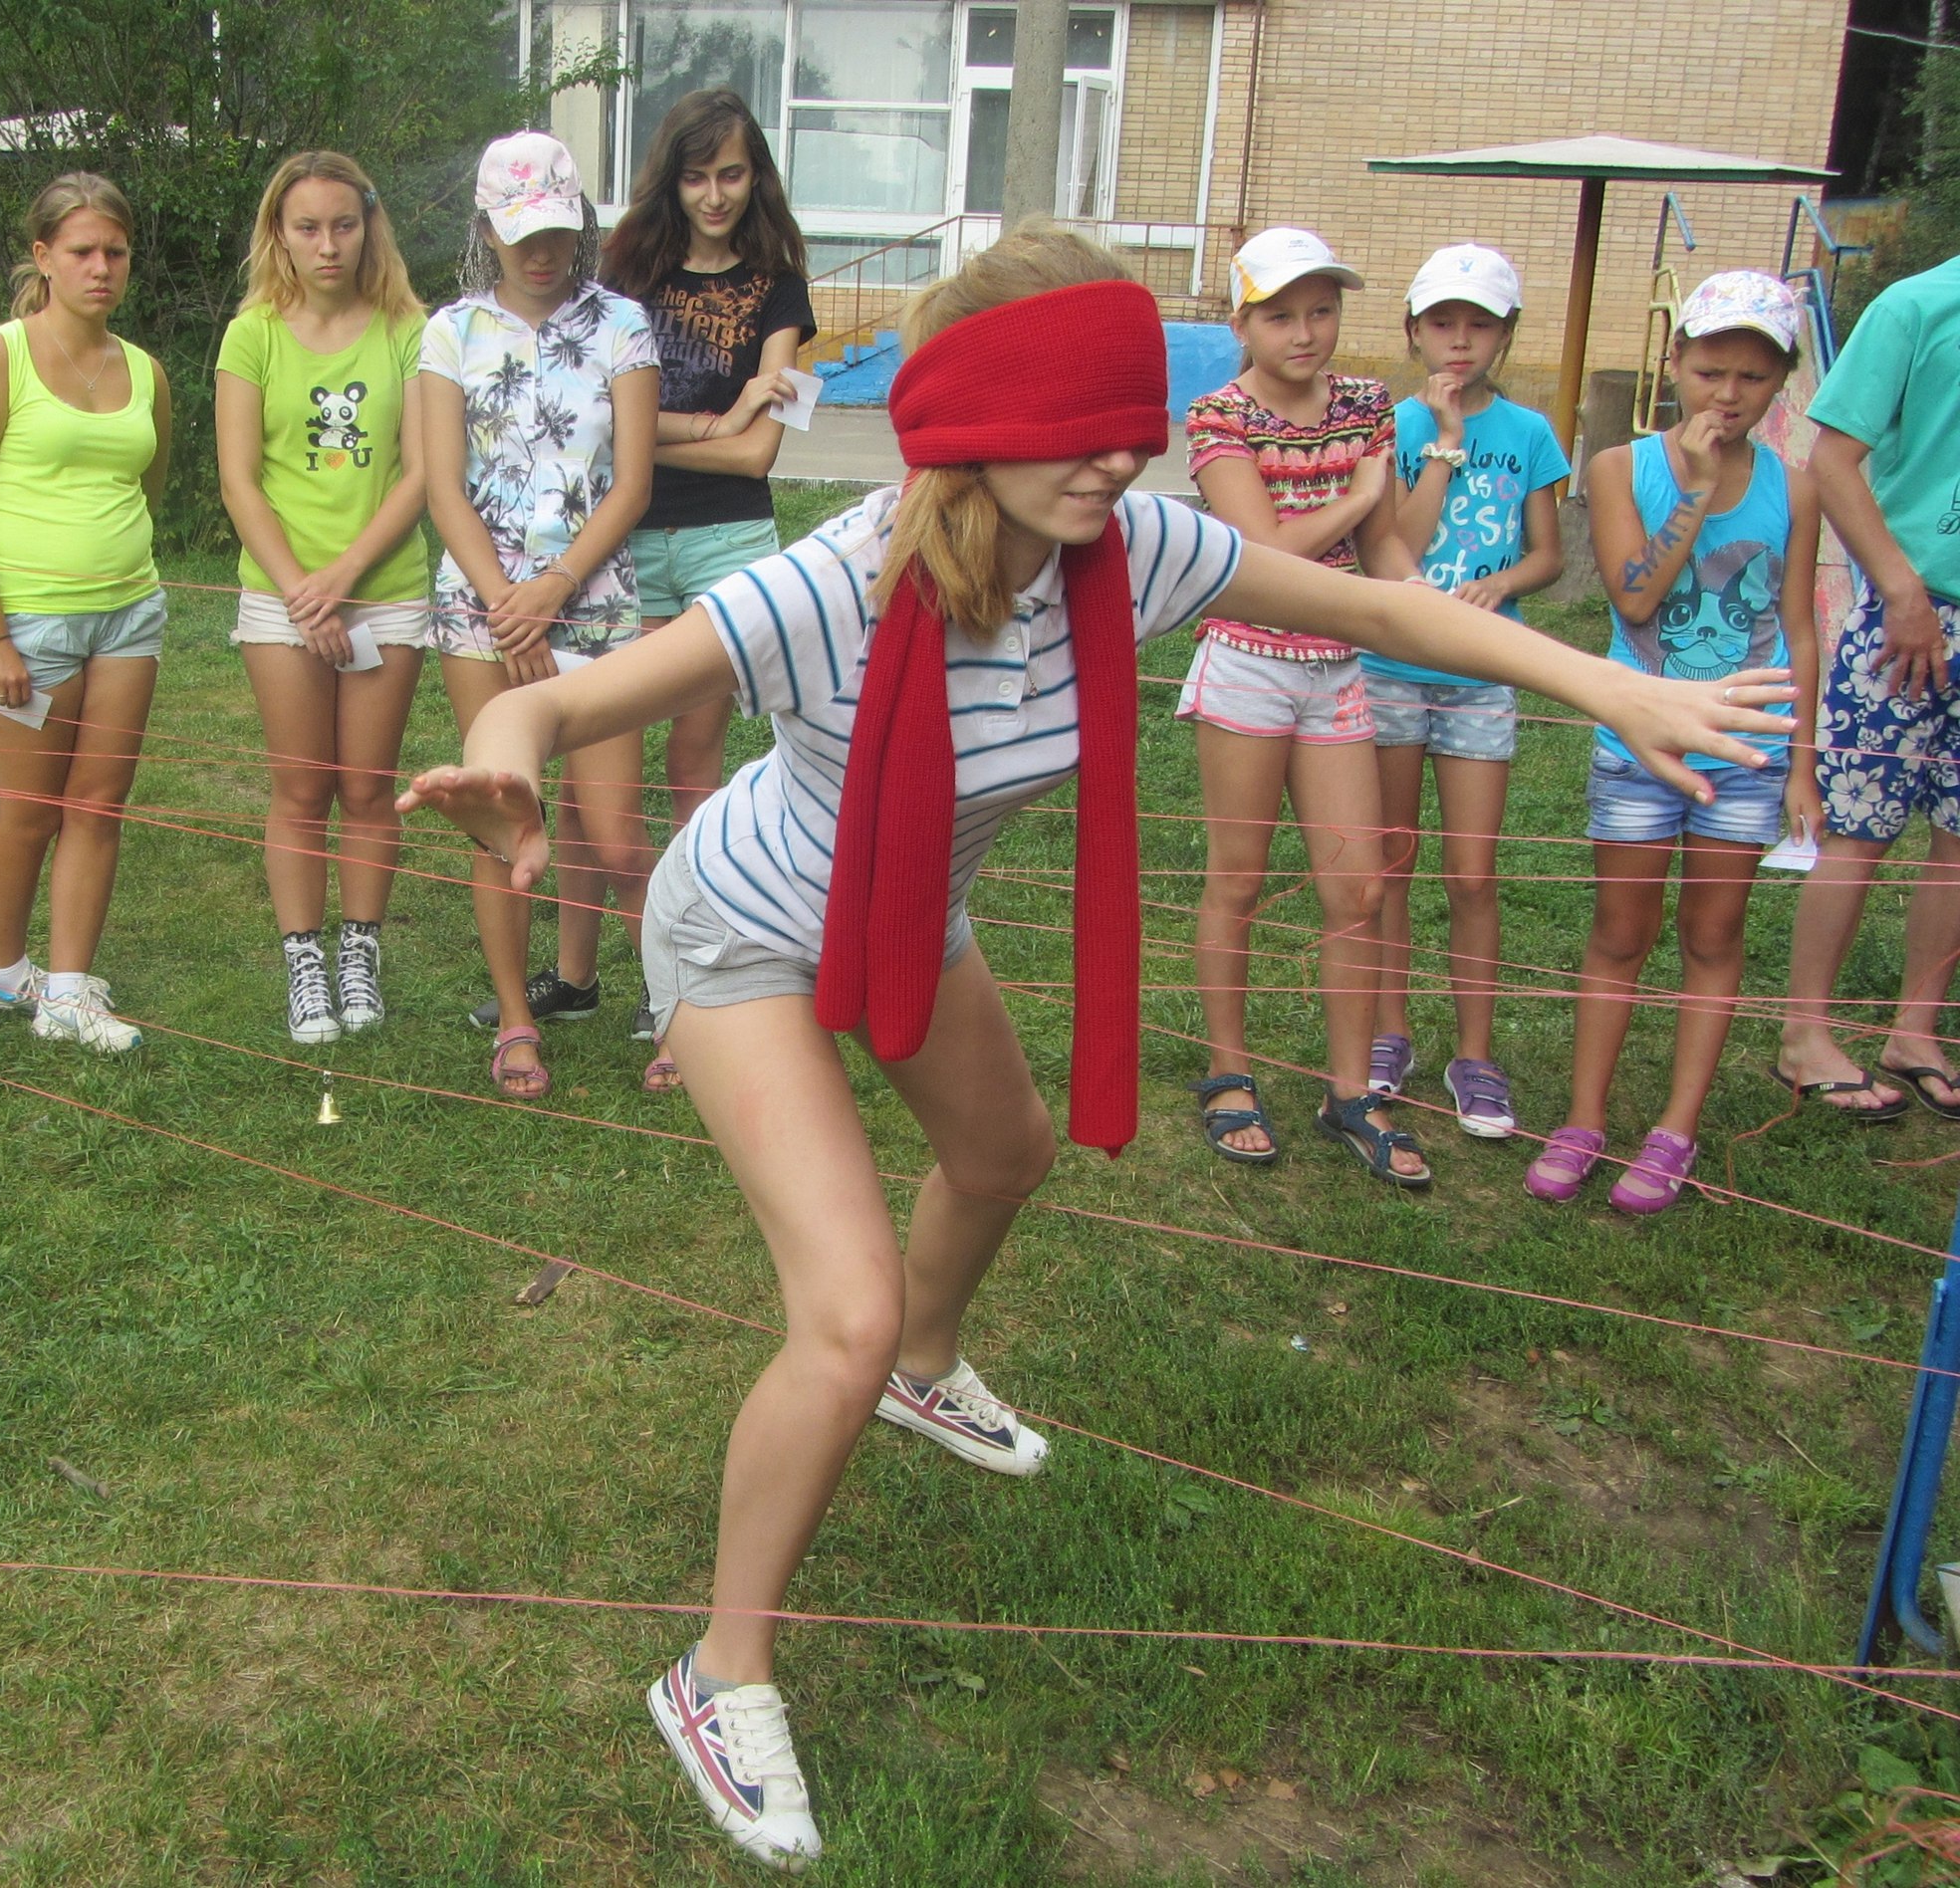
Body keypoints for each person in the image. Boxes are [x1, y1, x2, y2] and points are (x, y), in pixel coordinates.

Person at [398, 226, 1788, 1872]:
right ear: (980, 418)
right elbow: (561, 704)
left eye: (1130, 423)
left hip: (911, 910)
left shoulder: (1127, 551)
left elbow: (1376, 605)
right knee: (839, 1311)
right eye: (1080, 425)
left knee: (1004, 1158)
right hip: (743, 931)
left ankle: (923, 1371)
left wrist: (1608, 691)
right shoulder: (835, 583)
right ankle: (720, 1672)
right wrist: (501, 759)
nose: (1120, 457)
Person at [1524, 273, 1821, 1214]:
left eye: (1752, 377)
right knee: (1620, 933)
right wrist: (1692, 493)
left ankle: (1676, 1130)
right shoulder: (1621, 467)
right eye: (1708, 371)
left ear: (1781, 383)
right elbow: (1636, 598)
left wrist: (1804, 762)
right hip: (1639, 739)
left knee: (1714, 934)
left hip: (1747, 745)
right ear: (1674, 362)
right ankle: (1583, 1119)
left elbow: (1798, 626)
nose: (1727, 395)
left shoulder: (1794, 487)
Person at [1182, 227, 1427, 1184]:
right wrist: (1361, 494)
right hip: (1248, 659)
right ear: (1241, 323)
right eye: (1280, 314)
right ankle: (1229, 1074)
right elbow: (1266, 556)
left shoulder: (1367, 405)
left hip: (1337, 668)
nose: (1305, 331)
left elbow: (1386, 548)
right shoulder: (1217, 416)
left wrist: (1426, 605)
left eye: (1321, 310)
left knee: (1357, 890)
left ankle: (1349, 1091)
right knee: (1237, 880)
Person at [421, 129, 660, 1098]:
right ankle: (517, 1018)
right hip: (481, 612)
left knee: (616, 834)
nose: (542, 251)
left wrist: (554, 588)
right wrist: (503, 604)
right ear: (487, 229)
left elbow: (633, 482)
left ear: (581, 223)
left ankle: (679, 1006)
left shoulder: (622, 325)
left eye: (558, 229)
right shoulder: (450, 332)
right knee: (499, 822)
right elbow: (441, 485)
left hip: (592, 601)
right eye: (521, 233)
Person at [0, 172, 171, 1054]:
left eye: (116, 251)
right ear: (43, 257)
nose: (101, 268)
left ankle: (68, 991)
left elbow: (147, 485)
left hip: (129, 616)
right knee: (29, 810)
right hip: (29, 625)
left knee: (100, 806)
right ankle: (6, 970)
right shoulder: (1, 356)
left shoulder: (145, 370)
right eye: (81, 252)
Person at [216, 150, 429, 1045]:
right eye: (307, 227)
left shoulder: (409, 328)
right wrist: (304, 594)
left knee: (367, 788)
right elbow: (239, 479)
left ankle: (360, 952)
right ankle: (304, 960)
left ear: (369, 225)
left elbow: (421, 472)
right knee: (302, 789)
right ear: (280, 233)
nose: (328, 245)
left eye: (344, 224)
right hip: (282, 596)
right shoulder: (252, 334)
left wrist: (343, 582)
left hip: (384, 593)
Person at [1366, 244, 1567, 1136]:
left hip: (1482, 677)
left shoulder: (1529, 433)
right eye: (1442, 322)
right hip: (1392, 669)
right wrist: (1443, 445)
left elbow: (1549, 554)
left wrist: (1505, 582)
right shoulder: (1391, 426)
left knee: (1473, 872)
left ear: (1506, 334)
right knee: (1391, 862)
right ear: (1413, 330)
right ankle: (1390, 1031)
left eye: (1479, 324)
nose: (1459, 340)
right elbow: (1397, 549)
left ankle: (1476, 1055)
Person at [1773, 248, 1960, 1121]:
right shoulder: (1916, 307)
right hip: (1910, 613)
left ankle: (1915, 1033)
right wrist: (1900, 589)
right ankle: (1803, 1034)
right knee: (1858, 829)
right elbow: (1834, 460)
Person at [603, 87, 813, 836]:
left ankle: (693, 901)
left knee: (695, 759)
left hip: (728, 541)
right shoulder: (623, 275)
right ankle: (611, 907)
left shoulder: (781, 287)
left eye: (731, 174)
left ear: (757, 176)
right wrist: (715, 423)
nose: (714, 195)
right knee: (606, 760)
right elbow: (598, 418)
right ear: (672, 180)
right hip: (624, 531)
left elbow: (758, 454)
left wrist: (640, 435)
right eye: (696, 177)